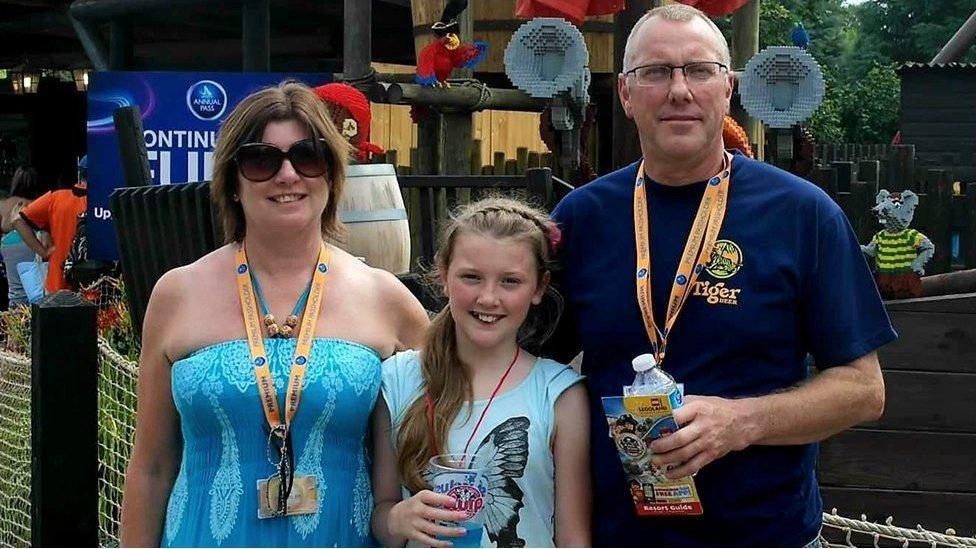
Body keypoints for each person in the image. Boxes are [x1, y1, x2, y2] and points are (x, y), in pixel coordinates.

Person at [547, 4, 895, 547]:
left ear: (727, 88)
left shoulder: (802, 213)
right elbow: (524, 365)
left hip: (767, 536)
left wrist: (742, 422)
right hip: (617, 536)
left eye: (699, 70)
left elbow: (863, 390)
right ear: (625, 93)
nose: (679, 90)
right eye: (656, 72)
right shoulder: (581, 219)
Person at [119, 81, 430, 547]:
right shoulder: (177, 293)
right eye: (262, 160)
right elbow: (152, 466)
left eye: (308, 156)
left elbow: (443, 437)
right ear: (233, 182)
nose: (288, 176)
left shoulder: (387, 300)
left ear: (331, 174)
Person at [371, 197, 591, 548]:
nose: (489, 298)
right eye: (471, 277)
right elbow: (381, 511)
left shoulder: (559, 394)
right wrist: (396, 519)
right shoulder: (396, 380)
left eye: (510, 282)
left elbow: (573, 537)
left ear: (538, 288)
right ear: (444, 277)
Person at [12, 156, 87, 294]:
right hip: (98, 288)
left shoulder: (57, 198)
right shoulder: (107, 201)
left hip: (58, 285)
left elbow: (17, 220)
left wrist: (43, 252)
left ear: (80, 175)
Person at [0, 166, 43, 306]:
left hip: (8, 246)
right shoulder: (41, 203)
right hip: (33, 244)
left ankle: (16, 316)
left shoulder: (4, 204)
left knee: (16, 291)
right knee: (36, 288)